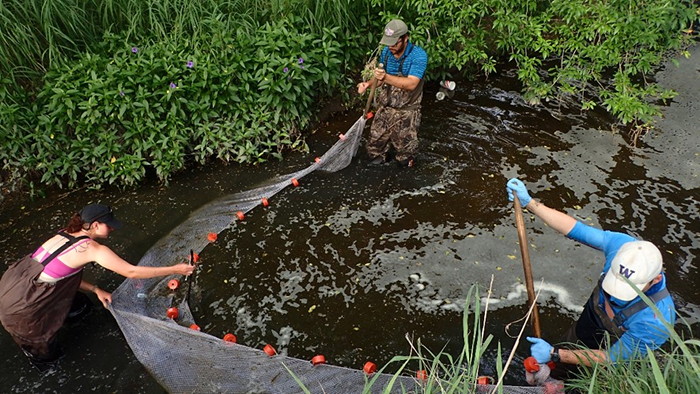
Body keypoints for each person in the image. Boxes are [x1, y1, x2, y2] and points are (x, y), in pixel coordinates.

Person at [0, 203, 194, 371]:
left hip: (12, 287)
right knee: (49, 357)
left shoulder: (63, 235)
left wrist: (96, 289)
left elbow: (61, 274)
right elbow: (131, 272)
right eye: (108, 225)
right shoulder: (91, 249)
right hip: (21, 309)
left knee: (82, 308)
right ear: (94, 225)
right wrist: (176, 269)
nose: (112, 229)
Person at [505, 178, 676, 367]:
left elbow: (611, 359)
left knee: (587, 376)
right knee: (566, 352)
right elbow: (575, 229)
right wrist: (530, 203)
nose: (614, 294)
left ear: (655, 279)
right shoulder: (623, 247)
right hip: (590, 320)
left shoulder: (655, 321)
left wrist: (555, 354)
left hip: (615, 348)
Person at [357, 19, 428, 167]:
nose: (391, 47)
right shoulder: (386, 53)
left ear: (405, 38)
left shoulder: (418, 56)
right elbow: (380, 79)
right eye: (388, 43)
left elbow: (411, 84)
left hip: (406, 113)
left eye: (395, 43)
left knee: (404, 158)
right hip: (385, 108)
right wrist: (368, 84)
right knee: (374, 152)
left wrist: (385, 77)